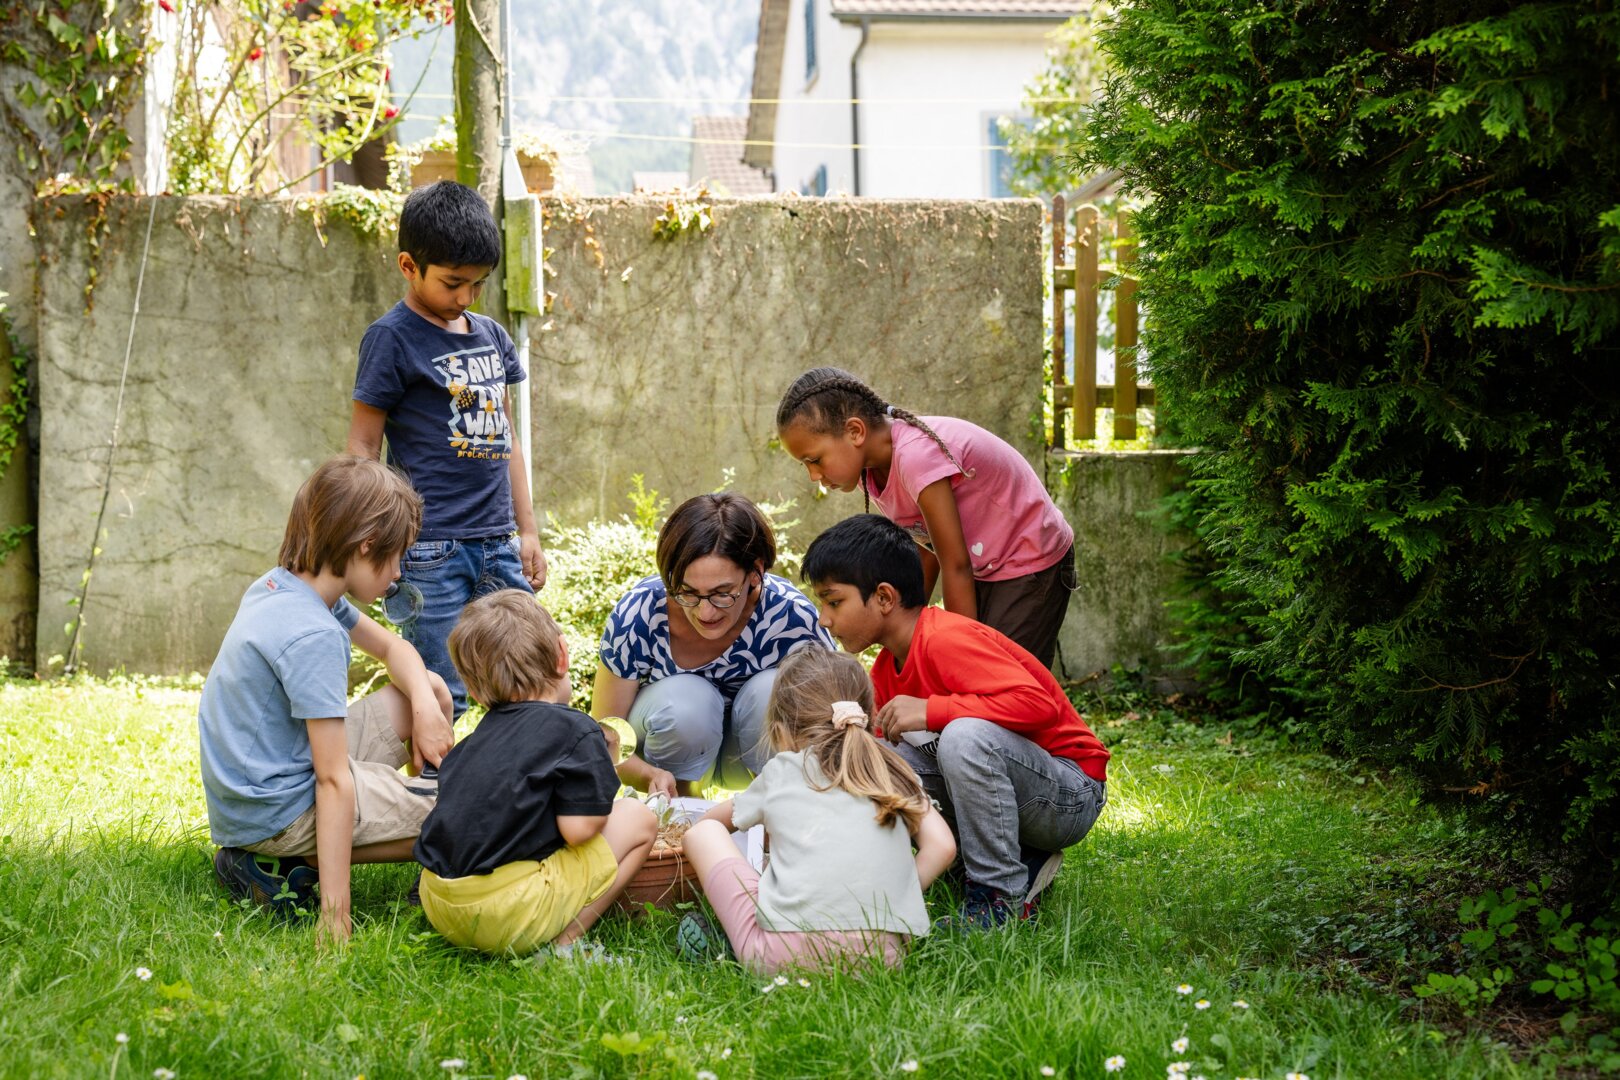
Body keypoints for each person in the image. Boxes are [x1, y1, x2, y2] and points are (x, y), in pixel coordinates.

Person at [801, 513, 1110, 929]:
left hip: (1070, 794)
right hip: (1022, 796)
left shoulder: (945, 639)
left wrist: (933, 711)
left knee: (965, 737)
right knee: (878, 758)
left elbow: (1038, 705)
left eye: (833, 601)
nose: (824, 618)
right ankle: (1008, 859)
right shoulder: (886, 672)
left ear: (885, 598)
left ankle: (998, 898)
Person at [199, 456, 454, 947]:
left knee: (431, 688)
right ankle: (297, 860)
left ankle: (402, 819)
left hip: (257, 789)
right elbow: (332, 781)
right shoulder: (312, 634)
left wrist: (424, 705)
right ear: (363, 547)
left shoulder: (285, 586)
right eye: (396, 555)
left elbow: (395, 648)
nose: (398, 572)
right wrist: (335, 916)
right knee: (465, 810)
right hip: (280, 811)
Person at [347, 179, 546, 721]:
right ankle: (432, 800)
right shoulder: (391, 338)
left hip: (498, 542)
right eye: (453, 282)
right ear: (409, 265)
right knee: (443, 693)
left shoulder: (491, 336)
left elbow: (507, 440)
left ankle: (522, 793)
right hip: (428, 549)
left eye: (478, 285)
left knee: (528, 678)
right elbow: (364, 445)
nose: (465, 297)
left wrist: (527, 530)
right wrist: (373, 535)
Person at [676, 647, 956, 975]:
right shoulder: (893, 770)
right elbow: (943, 847)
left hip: (778, 958)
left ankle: (727, 936)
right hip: (884, 959)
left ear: (780, 733)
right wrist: (896, 898)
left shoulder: (783, 770)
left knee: (703, 833)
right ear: (867, 715)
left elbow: (709, 825)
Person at [775, 366, 1076, 667]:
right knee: (979, 677)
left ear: (855, 432)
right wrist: (905, 628)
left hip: (1030, 559)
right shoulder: (873, 469)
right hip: (987, 563)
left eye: (814, 460)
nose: (813, 475)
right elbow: (926, 548)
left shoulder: (915, 457)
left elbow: (954, 564)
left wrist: (958, 655)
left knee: (1005, 677)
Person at [413, 590, 658, 956]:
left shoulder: (469, 745)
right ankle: (564, 945)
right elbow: (578, 831)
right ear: (562, 654)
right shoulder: (577, 731)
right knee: (639, 818)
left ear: (477, 693)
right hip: (507, 914)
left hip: (439, 903)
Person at [592, 492, 833, 797]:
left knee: (773, 690)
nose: (705, 612)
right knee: (688, 703)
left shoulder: (792, 617)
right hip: (663, 764)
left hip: (756, 762)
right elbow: (604, 736)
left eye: (723, 592)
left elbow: (836, 723)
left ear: (756, 573)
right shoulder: (639, 612)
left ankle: (773, 815)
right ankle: (679, 819)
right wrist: (648, 775)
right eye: (687, 592)